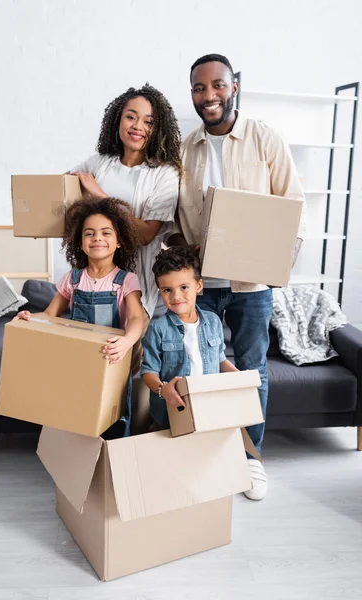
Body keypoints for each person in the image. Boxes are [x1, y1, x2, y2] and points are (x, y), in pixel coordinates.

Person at [168, 53, 307, 500]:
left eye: (217, 85)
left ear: (234, 87)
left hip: (251, 287)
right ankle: (207, 453)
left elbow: (293, 207)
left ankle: (252, 459)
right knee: (200, 369)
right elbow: (173, 219)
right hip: (202, 286)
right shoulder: (184, 150)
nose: (208, 95)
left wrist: (278, 263)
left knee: (252, 372)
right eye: (198, 88)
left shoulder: (265, 139)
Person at [16, 196, 144, 437]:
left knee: (114, 420)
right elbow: (50, 315)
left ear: (119, 242)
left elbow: (137, 318)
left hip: (111, 360)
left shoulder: (126, 280)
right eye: (89, 233)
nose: (97, 238)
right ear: (80, 242)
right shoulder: (72, 279)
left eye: (106, 233)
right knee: (77, 419)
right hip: (77, 362)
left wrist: (127, 341)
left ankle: (113, 468)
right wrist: (30, 318)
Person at [70, 83, 182, 326]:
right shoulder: (98, 164)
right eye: (130, 117)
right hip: (91, 282)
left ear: (158, 129)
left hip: (135, 285)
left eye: (148, 122)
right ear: (117, 120)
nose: (138, 126)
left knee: (126, 357)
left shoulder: (165, 175)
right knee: (85, 354)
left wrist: (100, 196)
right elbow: (60, 196)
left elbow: (145, 234)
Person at [141, 246, 237, 430]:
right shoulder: (158, 328)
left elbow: (220, 359)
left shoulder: (213, 321)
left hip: (207, 403)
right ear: (159, 290)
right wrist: (163, 389)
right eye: (167, 290)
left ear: (198, 286)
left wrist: (239, 377)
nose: (176, 296)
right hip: (172, 409)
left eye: (184, 287)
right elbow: (148, 371)